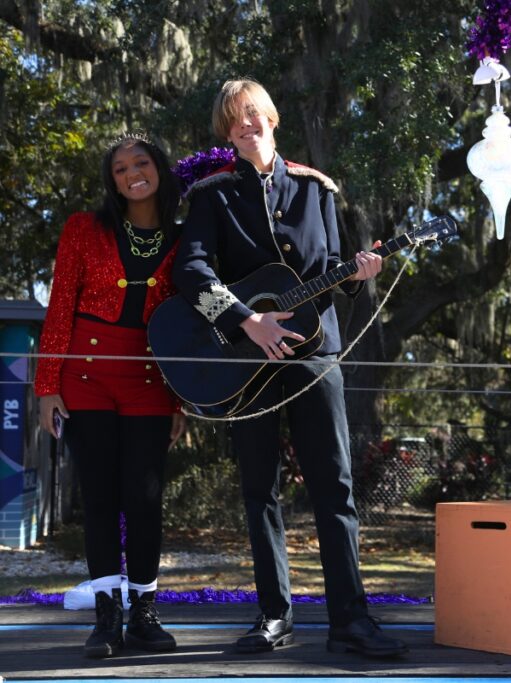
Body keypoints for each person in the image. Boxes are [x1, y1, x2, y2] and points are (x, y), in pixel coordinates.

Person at [173, 78, 407, 657]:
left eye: (251, 115)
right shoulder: (211, 195)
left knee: (336, 488)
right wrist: (247, 321)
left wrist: (358, 275)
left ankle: (350, 621)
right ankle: (274, 616)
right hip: (246, 364)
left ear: (272, 117)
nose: (244, 126)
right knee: (260, 491)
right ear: (226, 132)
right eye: (233, 120)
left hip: (314, 356)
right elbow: (192, 271)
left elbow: (331, 264)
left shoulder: (316, 189)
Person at [36, 133, 187, 658]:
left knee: (145, 500)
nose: (131, 174)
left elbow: (185, 327)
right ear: (112, 181)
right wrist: (46, 386)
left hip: (150, 379)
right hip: (86, 374)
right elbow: (59, 308)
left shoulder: (184, 239)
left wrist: (179, 399)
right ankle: (106, 618)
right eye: (120, 168)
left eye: (140, 163)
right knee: (100, 498)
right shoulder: (83, 228)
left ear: (160, 170)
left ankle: (144, 614)